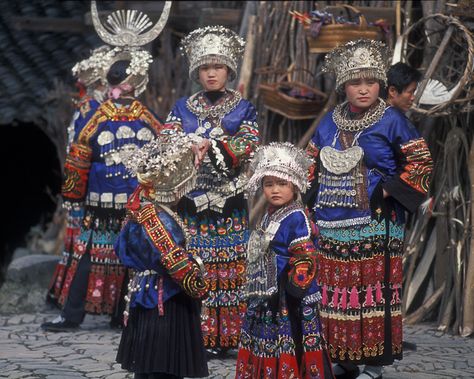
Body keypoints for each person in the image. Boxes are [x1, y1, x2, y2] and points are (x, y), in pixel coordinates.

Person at [305, 39, 433, 379]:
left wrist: (389, 191)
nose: (363, 90)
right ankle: (344, 357)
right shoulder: (329, 123)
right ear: (343, 86)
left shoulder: (392, 120)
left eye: (370, 82)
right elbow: (309, 165)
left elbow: (420, 162)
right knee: (336, 294)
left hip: (376, 223)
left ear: (381, 84)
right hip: (332, 221)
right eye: (355, 83)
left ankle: (374, 365)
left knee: (371, 294)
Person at [41, 3, 169, 332]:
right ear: (137, 84)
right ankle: (119, 317)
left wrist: (72, 195)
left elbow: (79, 154)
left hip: (100, 201)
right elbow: (163, 151)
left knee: (89, 255)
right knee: (128, 256)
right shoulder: (147, 117)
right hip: (134, 201)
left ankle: (74, 316)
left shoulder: (96, 116)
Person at [164, 25, 260, 354]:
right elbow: (167, 141)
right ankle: (197, 336)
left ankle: (229, 337)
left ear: (229, 70)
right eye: (205, 68)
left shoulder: (243, 107)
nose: (211, 74)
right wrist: (188, 145)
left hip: (229, 201)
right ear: (196, 72)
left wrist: (214, 146)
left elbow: (249, 143)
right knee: (196, 264)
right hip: (190, 203)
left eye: (218, 67)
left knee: (231, 269)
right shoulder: (181, 107)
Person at [236, 142, 335, 379]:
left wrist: (295, 285)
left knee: (290, 339)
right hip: (267, 291)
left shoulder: (296, 217)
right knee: (267, 338)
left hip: (288, 295)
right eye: (269, 184)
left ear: (295, 186)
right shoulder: (269, 213)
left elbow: (305, 255)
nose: (275, 190)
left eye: (282, 184)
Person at [115, 131, 209, 379]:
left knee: (147, 365)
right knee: (163, 364)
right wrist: (198, 281)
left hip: (143, 291)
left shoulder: (142, 210)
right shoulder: (159, 218)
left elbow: (121, 248)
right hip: (166, 298)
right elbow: (173, 261)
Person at [47, 45, 111, 308]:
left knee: (81, 246)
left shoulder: (88, 107)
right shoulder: (93, 109)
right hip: (88, 185)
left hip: (82, 183)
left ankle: (67, 298)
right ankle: (76, 301)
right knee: (85, 247)